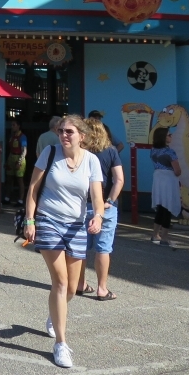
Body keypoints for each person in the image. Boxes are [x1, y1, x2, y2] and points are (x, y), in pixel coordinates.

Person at [24, 115, 104, 369]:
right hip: (49, 221)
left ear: (83, 135)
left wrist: (99, 216)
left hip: (77, 226)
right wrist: (29, 220)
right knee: (59, 282)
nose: (64, 135)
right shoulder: (49, 153)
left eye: (69, 131)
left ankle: (54, 314)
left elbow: (97, 197)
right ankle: (61, 344)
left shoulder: (91, 161)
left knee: (72, 288)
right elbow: (33, 189)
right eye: (61, 131)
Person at [76, 116, 124, 300]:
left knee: (80, 247)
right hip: (104, 206)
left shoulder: (79, 153)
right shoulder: (111, 151)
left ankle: (80, 283)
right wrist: (110, 201)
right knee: (103, 248)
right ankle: (102, 288)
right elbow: (119, 179)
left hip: (81, 204)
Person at [150, 127, 181, 247]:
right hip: (168, 180)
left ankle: (155, 234)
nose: (171, 136)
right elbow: (177, 171)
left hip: (158, 179)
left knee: (161, 207)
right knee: (168, 206)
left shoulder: (153, 150)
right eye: (169, 135)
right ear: (163, 137)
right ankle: (165, 236)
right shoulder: (170, 152)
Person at [6, 119, 28, 204]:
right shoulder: (11, 136)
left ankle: (20, 199)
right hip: (11, 157)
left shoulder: (22, 136)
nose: (12, 127)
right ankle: (7, 197)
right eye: (11, 125)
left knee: (19, 179)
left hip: (19, 158)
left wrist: (19, 161)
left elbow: (24, 150)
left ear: (18, 126)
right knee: (9, 178)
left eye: (14, 125)